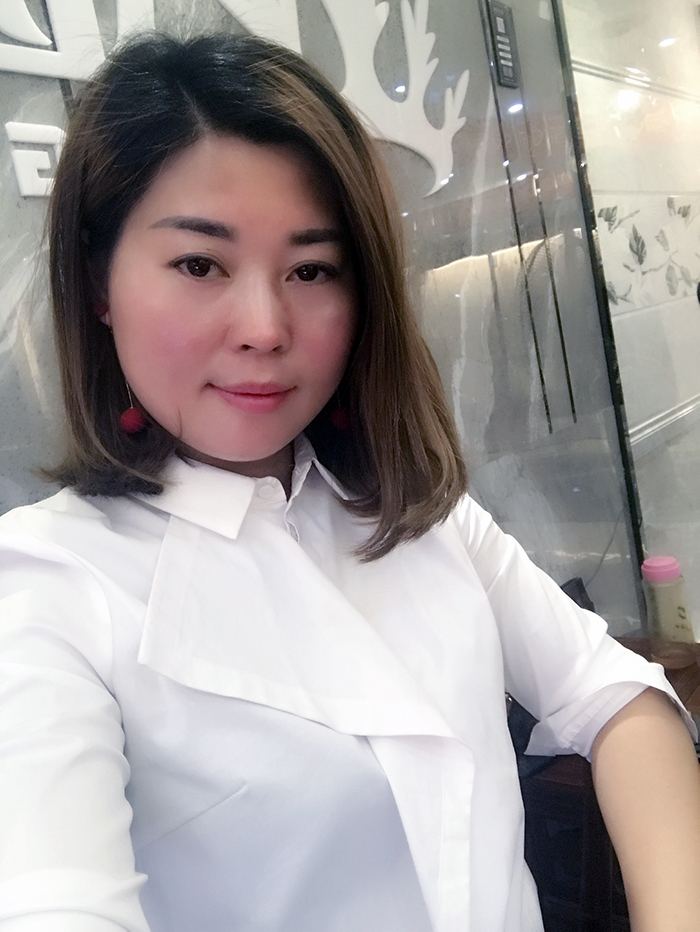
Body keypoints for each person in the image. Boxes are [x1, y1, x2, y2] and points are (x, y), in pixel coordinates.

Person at [0, 32, 699, 932]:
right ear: (100, 284)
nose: (264, 326)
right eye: (200, 264)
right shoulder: (45, 587)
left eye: (311, 270)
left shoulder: (417, 514)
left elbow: (619, 698)